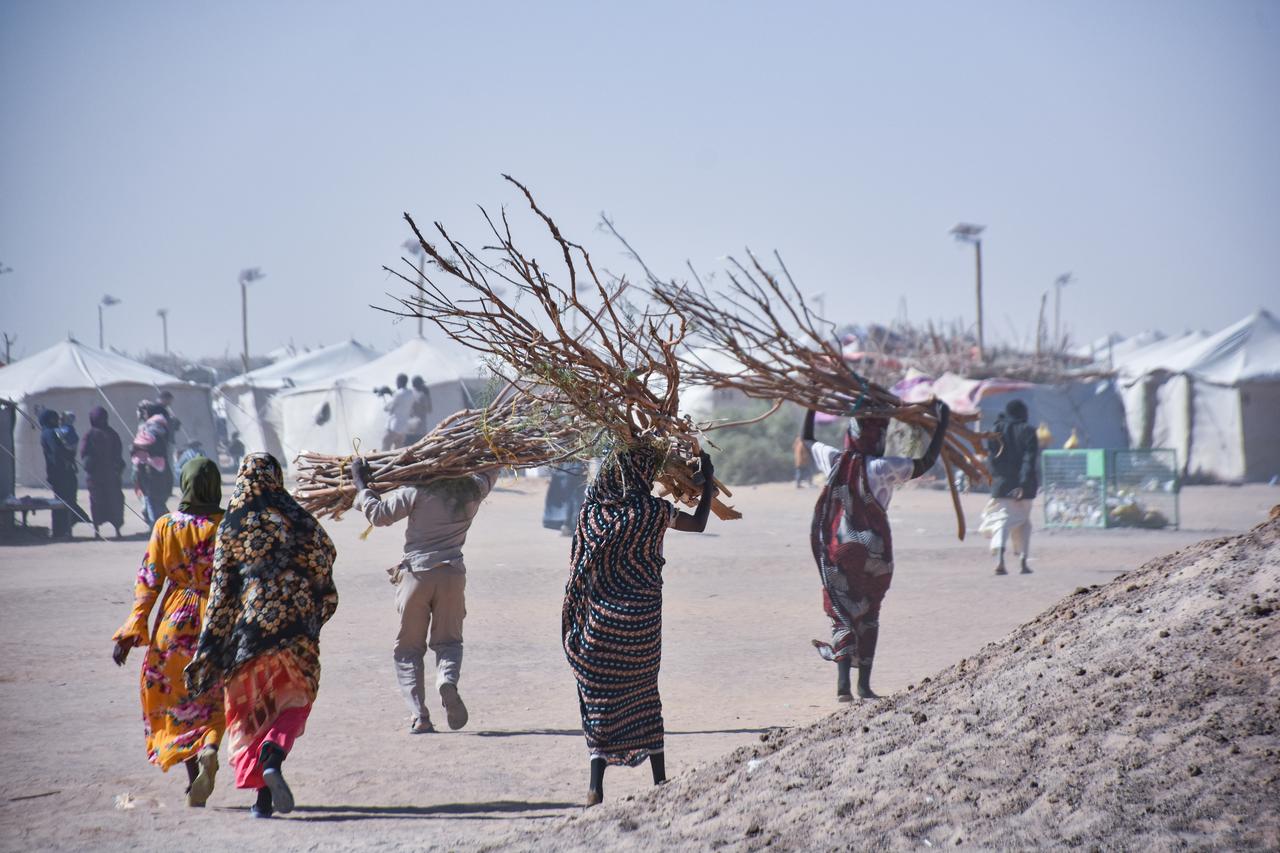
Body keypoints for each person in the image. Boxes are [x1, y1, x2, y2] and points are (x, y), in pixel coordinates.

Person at [184, 453, 338, 819]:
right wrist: (313, 607)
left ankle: (261, 800)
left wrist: (209, 647)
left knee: (248, 716)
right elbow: (325, 557)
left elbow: (221, 591)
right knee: (295, 700)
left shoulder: (233, 524)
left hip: (248, 636)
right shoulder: (299, 518)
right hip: (295, 631)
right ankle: (275, 754)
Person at [562, 445, 716, 807]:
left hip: (599, 628)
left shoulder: (592, 513)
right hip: (641, 628)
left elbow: (578, 567)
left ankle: (595, 787)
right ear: (643, 474)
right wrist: (706, 481)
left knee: (600, 701)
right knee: (646, 694)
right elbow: (698, 523)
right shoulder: (654, 510)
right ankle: (660, 779)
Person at [801, 400, 951, 702]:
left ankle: (843, 686)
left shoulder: (835, 459)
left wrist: (812, 405)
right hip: (876, 551)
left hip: (840, 549)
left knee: (842, 615)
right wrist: (941, 425)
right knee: (870, 614)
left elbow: (807, 440)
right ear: (879, 437)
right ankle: (864, 686)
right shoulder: (884, 467)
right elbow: (925, 462)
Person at [349, 458, 497, 734]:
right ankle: (446, 680)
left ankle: (420, 716)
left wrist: (361, 483)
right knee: (449, 642)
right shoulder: (473, 491)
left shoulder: (416, 490)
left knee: (408, 649)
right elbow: (492, 469)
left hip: (416, 576)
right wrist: (487, 451)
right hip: (452, 576)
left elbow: (379, 515)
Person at [111, 457, 227, 806]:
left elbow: (148, 581)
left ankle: (194, 779)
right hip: (219, 623)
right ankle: (209, 746)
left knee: (176, 702)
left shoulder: (165, 526)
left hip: (174, 626)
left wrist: (131, 632)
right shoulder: (229, 525)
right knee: (216, 699)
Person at [980, 399, 1039, 575]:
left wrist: (997, 479)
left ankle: (1000, 560)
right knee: (1024, 523)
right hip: (1024, 488)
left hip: (1001, 485)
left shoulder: (996, 430)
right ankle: (1022, 561)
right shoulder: (1028, 431)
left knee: (1001, 521)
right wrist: (1022, 484)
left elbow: (992, 459)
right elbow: (1029, 460)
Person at [80, 406, 126, 539]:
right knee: (97, 502)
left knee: (115, 501)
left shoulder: (111, 433)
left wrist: (118, 467)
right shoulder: (90, 435)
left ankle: (117, 530)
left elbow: (118, 452)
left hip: (111, 475)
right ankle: (97, 530)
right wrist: (90, 464)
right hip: (96, 476)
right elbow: (84, 453)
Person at [39, 409, 83, 539]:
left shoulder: (47, 432)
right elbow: (57, 451)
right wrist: (69, 456)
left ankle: (63, 529)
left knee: (63, 501)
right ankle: (62, 530)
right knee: (63, 502)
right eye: (54, 419)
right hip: (61, 472)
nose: (57, 421)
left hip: (57, 472)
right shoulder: (49, 433)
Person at [132, 403, 174, 528]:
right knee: (157, 500)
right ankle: (163, 526)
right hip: (162, 469)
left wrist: (137, 447)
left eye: (145, 413)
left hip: (152, 470)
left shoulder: (152, 430)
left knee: (151, 499)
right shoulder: (162, 428)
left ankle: (155, 528)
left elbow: (145, 445)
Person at [381, 373, 415, 450]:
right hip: (404, 428)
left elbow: (387, 408)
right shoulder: (411, 393)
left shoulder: (398, 393)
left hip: (394, 426)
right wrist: (391, 394)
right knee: (397, 450)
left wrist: (384, 397)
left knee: (385, 447)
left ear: (399, 381)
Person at [406, 375, 434, 444]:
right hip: (419, 428)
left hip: (409, 427)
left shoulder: (408, 394)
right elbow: (429, 410)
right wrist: (428, 395)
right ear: (419, 385)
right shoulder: (422, 396)